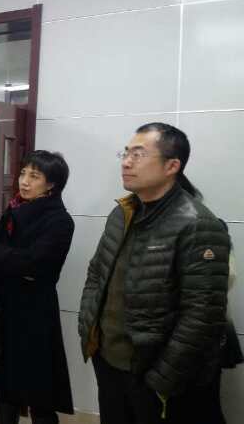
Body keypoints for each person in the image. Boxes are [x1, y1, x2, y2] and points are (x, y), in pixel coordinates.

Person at [78, 122, 230, 424]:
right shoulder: (122, 213)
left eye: (138, 154)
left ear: (172, 166)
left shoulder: (197, 224)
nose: (126, 162)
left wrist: (162, 378)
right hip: (108, 360)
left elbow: (202, 316)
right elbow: (97, 272)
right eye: (125, 153)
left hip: (154, 373)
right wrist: (89, 331)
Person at [0, 150, 75, 424]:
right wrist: (13, 263)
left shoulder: (60, 220)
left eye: (34, 176)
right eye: (23, 173)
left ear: (51, 184)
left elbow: (35, 266)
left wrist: (4, 260)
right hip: (4, 312)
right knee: (6, 390)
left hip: (35, 317)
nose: (24, 181)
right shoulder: (14, 210)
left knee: (40, 396)